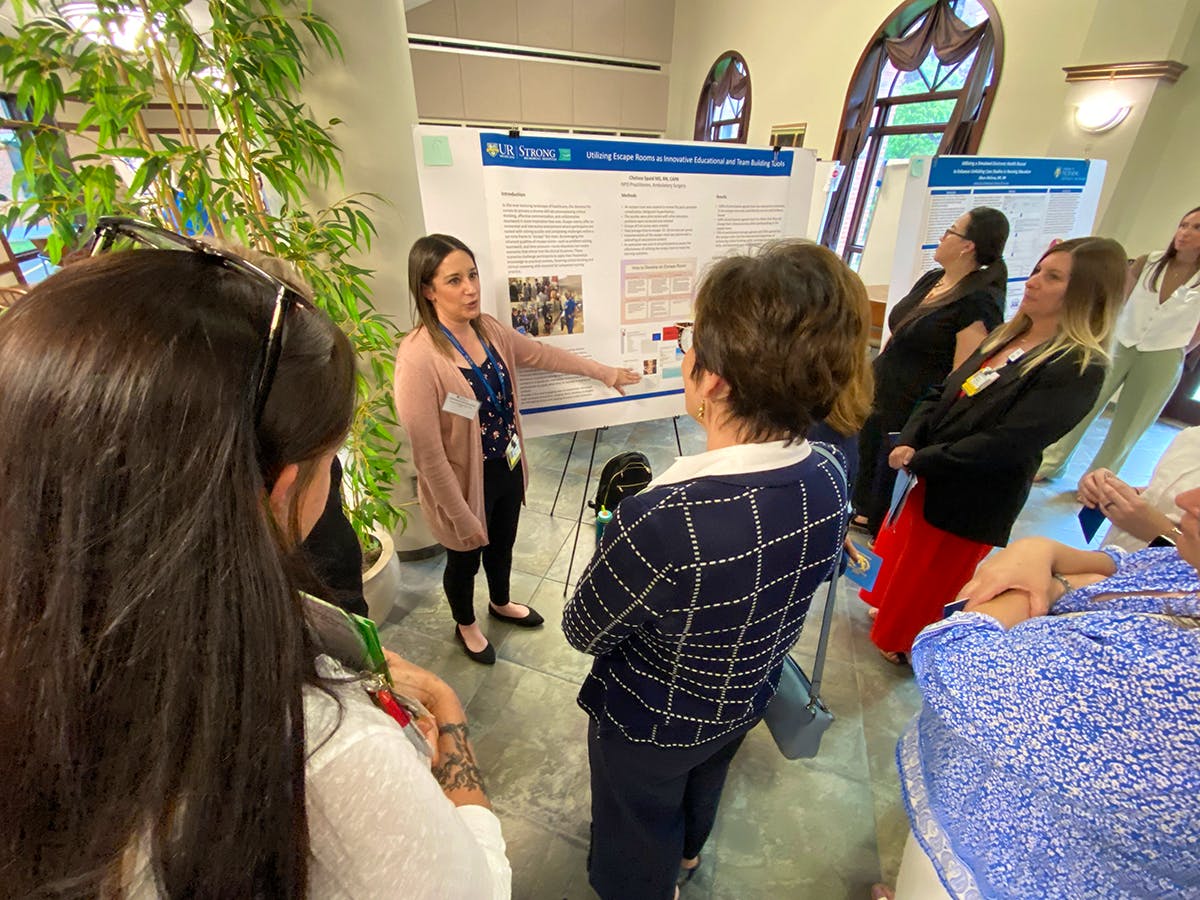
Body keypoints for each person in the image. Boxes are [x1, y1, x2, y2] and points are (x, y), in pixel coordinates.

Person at [0, 227, 510, 898]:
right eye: (329, 459)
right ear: (281, 487)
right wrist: (446, 710)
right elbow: (478, 887)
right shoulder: (324, 751)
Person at [562, 240, 872, 900]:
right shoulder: (828, 474)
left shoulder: (663, 516)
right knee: (706, 779)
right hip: (747, 691)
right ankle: (689, 856)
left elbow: (584, 629)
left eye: (690, 341)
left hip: (651, 719)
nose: (685, 355)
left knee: (634, 823)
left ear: (715, 379)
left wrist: (612, 538)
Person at [874, 502, 1200, 900]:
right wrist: (1042, 552)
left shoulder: (1177, 676)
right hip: (992, 805)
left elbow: (955, 661)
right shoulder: (1188, 563)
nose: (1187, 498)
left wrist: (1050, 587)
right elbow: (1130, 565)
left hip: (1025, 867)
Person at [863, 237, 1127, 663]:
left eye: (1053, 277)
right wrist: (911, 437)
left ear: (1085, 294)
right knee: (907, 558)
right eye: (1038, 270)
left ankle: (911, 642)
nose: (1034, 281)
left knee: (934, 575)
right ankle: (890, 615)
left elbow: (1010, 442)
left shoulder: (1078, 366)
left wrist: (925, 458)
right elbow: (945, 390)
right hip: (932, 472)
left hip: (974, 490)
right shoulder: (1009, 335)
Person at [395, 234, 640, 664]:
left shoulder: (489, 329)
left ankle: (500, 602)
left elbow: (542, 355)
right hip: (460, 483)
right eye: (454, 280)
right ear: (428, 290)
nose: (470, 288)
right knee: (464, 560)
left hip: (505, 466)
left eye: (472, 275)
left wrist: (603, 372)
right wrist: (461, 515)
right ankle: (465, 624)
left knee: (502, 544)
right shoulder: (418, 357)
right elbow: (429, 456)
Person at [852, 207, 1009, 536]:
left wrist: (931, 422)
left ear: (967, 246)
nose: (942, 236)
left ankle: (877, 520)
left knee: (887, 469)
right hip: (884, 389)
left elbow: (962, 373)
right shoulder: (932, 280)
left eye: (951, 230)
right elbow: (901, 329)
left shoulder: (979, 301)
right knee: (866, 455)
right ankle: (863, 509)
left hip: (913, 402)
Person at [1038, 206, 1200, 481]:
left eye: (1196, 228)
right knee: (1086, 402)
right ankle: (1051, 462)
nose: (1185, 233)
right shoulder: (1149, 262)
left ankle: (1098, 480)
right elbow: (1119, 300)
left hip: (1164, 352)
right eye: (1183, 225)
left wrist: (1180, 348)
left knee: (1130, 423)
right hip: (1123, 341)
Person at [1077, 424, 1200, 551]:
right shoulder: (1191, 436)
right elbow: (1164, 490)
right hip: (1120, 548)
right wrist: (1120, 493)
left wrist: (1159, 532)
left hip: (1161, 558)